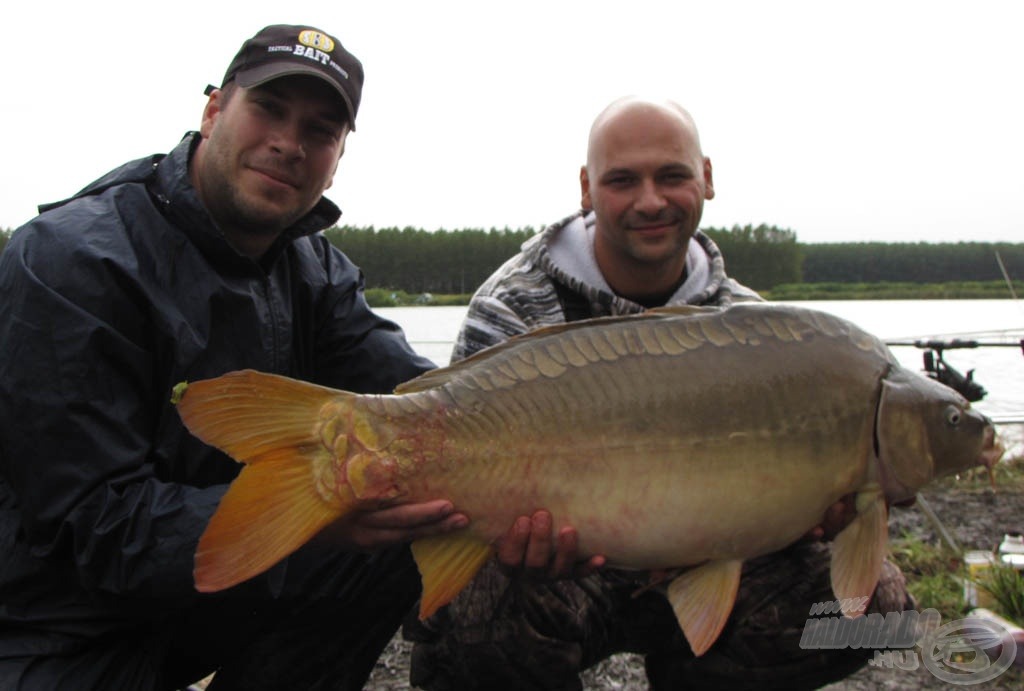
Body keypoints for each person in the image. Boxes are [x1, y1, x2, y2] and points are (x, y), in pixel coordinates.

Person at [0, 23, 567, 691]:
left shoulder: (314, 271)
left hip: (211, 593)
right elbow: (94, 524)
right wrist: (323, 510)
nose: (290, 144)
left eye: (321, 130)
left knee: (412, 521)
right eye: (269, 109)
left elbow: (428, 401)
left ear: (338, 155)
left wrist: (555, 485)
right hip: (57, 618)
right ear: (214, 109)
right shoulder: (68, 261)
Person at [405, 96, 914, 690]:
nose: (651, 201)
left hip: (714, 562)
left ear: (706, 177)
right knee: (475, 605)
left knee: (872, 612)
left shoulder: (753, 330)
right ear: (587, 189)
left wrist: (815, 513)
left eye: (671, 176)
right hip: (568, 570)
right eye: (623, 180)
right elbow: (457, 459)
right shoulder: (515, 305)